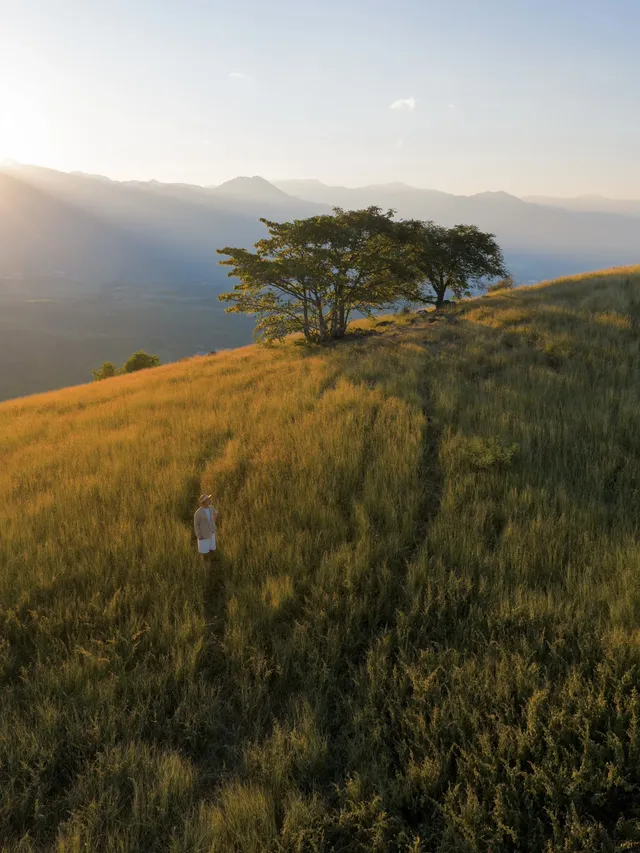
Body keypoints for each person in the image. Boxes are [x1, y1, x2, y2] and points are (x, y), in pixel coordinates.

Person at [194, 494, 218, 559]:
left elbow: (216, 513)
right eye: (207, 499)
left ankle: (213, 561)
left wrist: (214, 517)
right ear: (203, 502)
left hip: (211, 532)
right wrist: (199, 535)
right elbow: (196, 525)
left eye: (209, 498)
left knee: (211, 548)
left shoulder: (211, 507)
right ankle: (206, 564)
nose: (209, 500)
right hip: (203, 534)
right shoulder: (198, 512)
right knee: (205, 552)